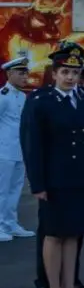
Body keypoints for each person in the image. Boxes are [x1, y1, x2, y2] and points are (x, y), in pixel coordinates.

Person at [23, 45, 84, 288]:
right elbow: (33, 145)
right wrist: (38, 183)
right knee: (54, 234)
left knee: (73, 234)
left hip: (82, 177)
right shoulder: (41, 101)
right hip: (56, 178)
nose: (70, 77)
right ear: (54, 74)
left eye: (75, 73)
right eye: (65, 72)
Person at [0, 55, 32, 243]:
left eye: (26, 73)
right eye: (20, 73)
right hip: (3, 151)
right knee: (2, 190)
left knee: (15, 189)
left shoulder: (21, 96)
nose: (25, 77)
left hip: (19, 150)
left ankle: (10, 223)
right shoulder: (3, 96)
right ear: (9, 74)